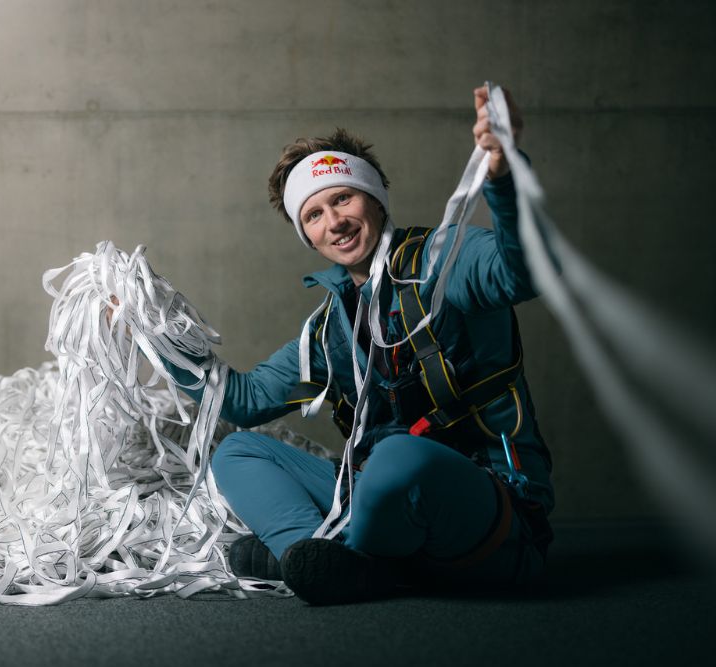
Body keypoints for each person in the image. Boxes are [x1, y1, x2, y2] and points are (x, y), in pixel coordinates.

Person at [164, 86, 554, 605]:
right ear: (307, 234)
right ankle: (326, 560)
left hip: (489, 509)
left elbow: (521, 272)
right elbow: (240, 401)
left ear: (375, 197)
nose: (335, 222)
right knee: (237, 451)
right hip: (374, 502)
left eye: (343, 198)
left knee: (398, 458)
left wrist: (503, 178)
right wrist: (156, 333)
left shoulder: (448, 258)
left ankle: (312, 553)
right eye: (314, 215)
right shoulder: (331, 327)